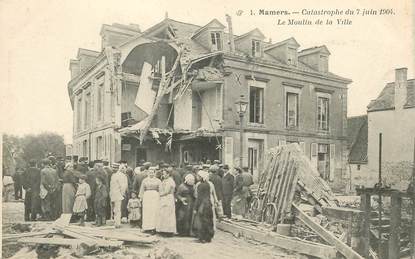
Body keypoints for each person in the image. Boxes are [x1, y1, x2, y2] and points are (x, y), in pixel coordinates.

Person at [192, 170, 215, 243]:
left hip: (202, 205)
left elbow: (199, 198)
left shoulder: (200, 185)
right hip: (208, 203)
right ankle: (208, 237)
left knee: (201, 221)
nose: (197, 177)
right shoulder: (208, 184)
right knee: (208, 220)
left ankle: (202, 237)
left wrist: (195, 207)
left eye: (198, 176)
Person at [139, 168, 161, 233]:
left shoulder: (158, 181)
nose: (151, 174)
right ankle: (146, 227)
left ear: (155, 173)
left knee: (154, 211)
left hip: (155, 196)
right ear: (148, 173)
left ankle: (154, 227)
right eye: (150, 172)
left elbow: (160, 189)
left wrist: (160, 197)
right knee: (147, 211)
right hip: (147, 196)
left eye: (152, 172)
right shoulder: (144, 180)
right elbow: (142, 189)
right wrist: (141, 197)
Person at [156, 169, 176, 236]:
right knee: (163, 214)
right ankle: (163, 230)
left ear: (168, 174)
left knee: (168, 214)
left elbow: (167, 191)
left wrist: (159, 194)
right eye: (163, 174)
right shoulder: (164, 180)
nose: (163, 175)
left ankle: (169, 231)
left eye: (164, 174)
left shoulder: (170, 181)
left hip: (168, 197)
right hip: (164, 198)